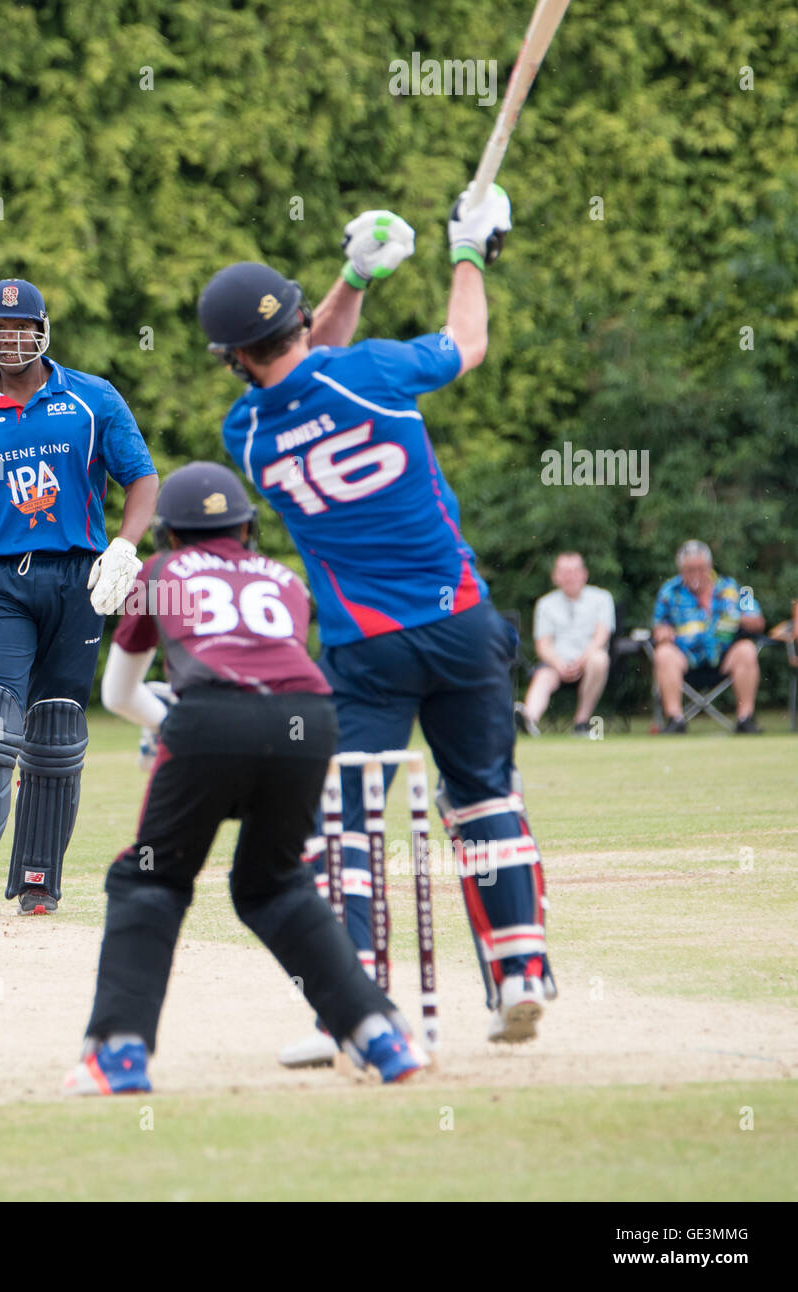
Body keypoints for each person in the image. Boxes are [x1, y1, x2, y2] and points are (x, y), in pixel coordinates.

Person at [198, 186, 556, 1067]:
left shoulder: (245, 432)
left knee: (348, 819)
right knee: (481, 794)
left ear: (236, 356)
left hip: (365, 648)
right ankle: (520, 973)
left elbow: (298, 359)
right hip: (463, 620)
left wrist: (352, 278)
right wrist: (470, 249)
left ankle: (354, 1015)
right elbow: (465, 343)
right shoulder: (376, 374)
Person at [63, 461, 427, 1095]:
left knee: (149, 876)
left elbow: (120, 693)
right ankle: (381, 1036)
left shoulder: (160, 573)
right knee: (275, 885)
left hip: (210, 718)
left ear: (168, 534)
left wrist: (169, 721)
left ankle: (118, 1055)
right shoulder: (284, 579)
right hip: (311, 720)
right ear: (247, 527)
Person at [0, 278, 158, 919]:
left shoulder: (92, 399)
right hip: (0, 582)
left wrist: (125, 547)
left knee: (56, 727)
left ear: (42, 331)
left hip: (81, 580)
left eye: (20, 328)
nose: (8, 339)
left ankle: (37, 880)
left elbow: (142, 478)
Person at [652, 540, 765, 733]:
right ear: (681, 569)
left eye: (700, 568)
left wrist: (746, 620)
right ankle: (675, 719)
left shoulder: (734, 587)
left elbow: (758, 620)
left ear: (709, 566)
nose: (695, 574)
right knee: (663, 654)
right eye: (689, 569)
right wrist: (662, 632)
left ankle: (745, 718)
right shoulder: (669, 591)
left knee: (747, 649)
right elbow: (658, 627)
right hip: (685, 659)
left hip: (725, 657)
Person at [516, 552, 615, 736]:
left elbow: (602, 636)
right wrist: (558, 663)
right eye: (565, 572)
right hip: (556, 663)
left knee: (599, 659)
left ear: (584, 574)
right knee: (543, 676)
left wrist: (581, 660)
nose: (571, 576)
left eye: (575, 571)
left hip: (590, 661)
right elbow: (543, 644)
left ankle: (581, 722)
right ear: (556, 577)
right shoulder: (546, 604)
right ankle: (529, 718)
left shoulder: (602, 598)